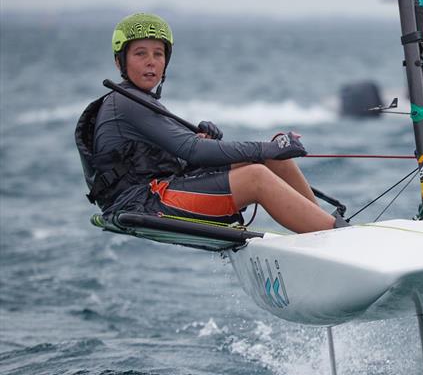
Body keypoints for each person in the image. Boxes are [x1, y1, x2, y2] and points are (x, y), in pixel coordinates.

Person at [75, 12, 344, 233]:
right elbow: (192, 151)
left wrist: (264, 149)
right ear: (119, 61)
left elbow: (182, 154)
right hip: (142, 203)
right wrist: (266, 148)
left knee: (275, 157)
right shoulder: (126, 102)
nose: (151, 63)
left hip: (156, 192)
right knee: (256, 176)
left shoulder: (138, 100)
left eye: (158, 54)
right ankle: (336, 238)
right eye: (140, 54)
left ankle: (323, 228)